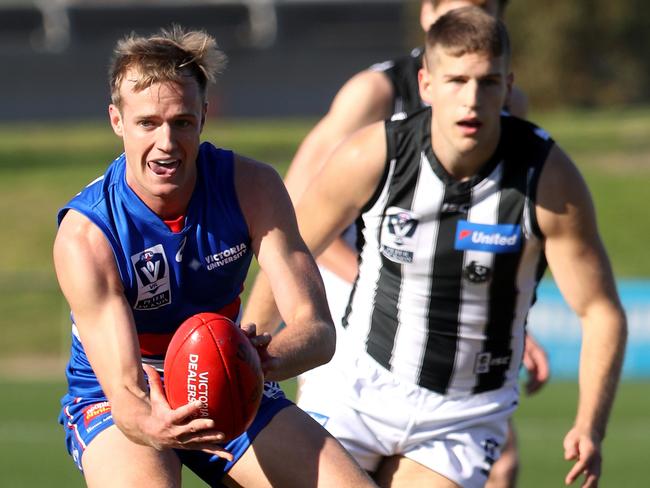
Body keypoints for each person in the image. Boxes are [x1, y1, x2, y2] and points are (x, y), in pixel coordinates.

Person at [243, 7, 627, 488]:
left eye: (488, 83)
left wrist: (590, 425)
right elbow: (291, 246)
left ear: (509, 87)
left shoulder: (548, 179)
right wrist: (248, 343)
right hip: (356, 390)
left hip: (461, 418)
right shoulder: (373, 153)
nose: (472, 100)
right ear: (426, 84)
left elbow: (600, 310)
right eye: (456, 81)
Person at [53, 25, 377, 488]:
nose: (166, 142)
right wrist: (153, 424)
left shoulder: (252, 188)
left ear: (203, 117)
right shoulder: (86, 234)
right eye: (147, 122)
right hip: (121, 394)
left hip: (230, 377)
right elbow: (126, 397)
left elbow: (317, 329)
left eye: (181, 122)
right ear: (117, 120)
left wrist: (260, 359)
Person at [279, 1, 546, 487]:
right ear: (428, 14)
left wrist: (498, 318)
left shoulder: (510, 105)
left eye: (487, 7)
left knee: (502, 462)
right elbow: (294, 213)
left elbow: (484, 235)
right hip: (347, 287)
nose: (474, 14)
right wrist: (392, 286)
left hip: (439, 297)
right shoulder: (375, 93)